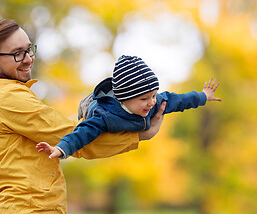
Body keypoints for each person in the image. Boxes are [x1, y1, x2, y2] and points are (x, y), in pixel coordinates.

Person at [0, 19, 165, 214]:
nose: (28, 59)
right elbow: (73, 137)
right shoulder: (7, 98)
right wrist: (138, 135)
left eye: (29, 49)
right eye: (17, 53)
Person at [36, 55, 221, 159]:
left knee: (166, 100)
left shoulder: (155, 103)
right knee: (89, 114)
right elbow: (82, 133)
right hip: (96, 107)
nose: (151, 102)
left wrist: (203, 96)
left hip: (125, 112)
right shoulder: (105, 116)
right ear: (125, 99)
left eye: (153, 95)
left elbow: (179, 100)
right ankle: (90, 100)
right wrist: (61, 149)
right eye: (144, 98)